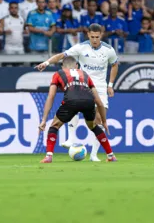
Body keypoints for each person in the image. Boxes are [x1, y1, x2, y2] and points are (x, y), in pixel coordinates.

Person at [35, 23, 118, 162]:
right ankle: (71, 138)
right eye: (92, 37)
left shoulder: (109, 50)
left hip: (100, 87)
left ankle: (94, 155)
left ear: (101, 35)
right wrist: (47, 62)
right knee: (76, 106)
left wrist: (110, 84)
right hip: (83, 83)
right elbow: (62, 55)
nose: (95, 40)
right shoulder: (81, 47)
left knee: (97, 120)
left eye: (97, 37)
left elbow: (115, 64)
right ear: (88, 35)